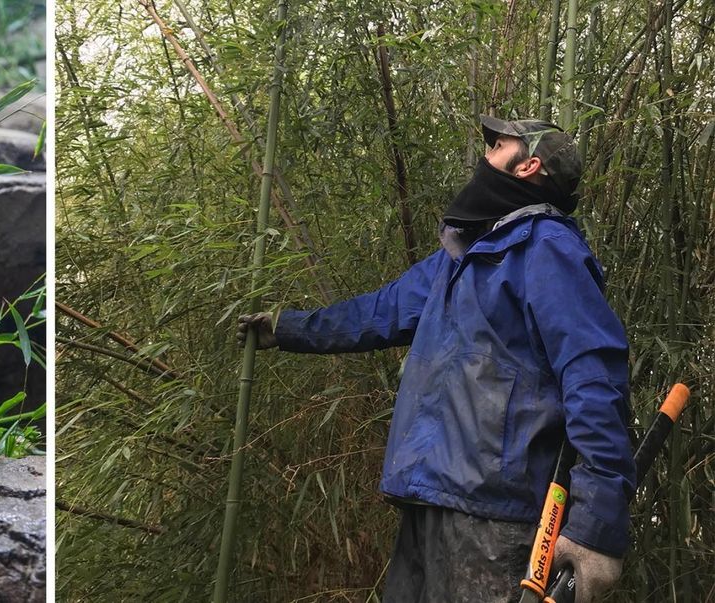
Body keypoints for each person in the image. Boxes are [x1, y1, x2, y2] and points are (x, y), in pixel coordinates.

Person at [237, 116, 635, 603]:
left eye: (498, 143)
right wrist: (288, 328)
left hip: (496, 514)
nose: (485, 150)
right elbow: (378, 312)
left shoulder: (547, 248)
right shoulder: (461, 256)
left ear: (529, 165)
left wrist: (597, 525)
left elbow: (595, 375)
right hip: (429, 498)